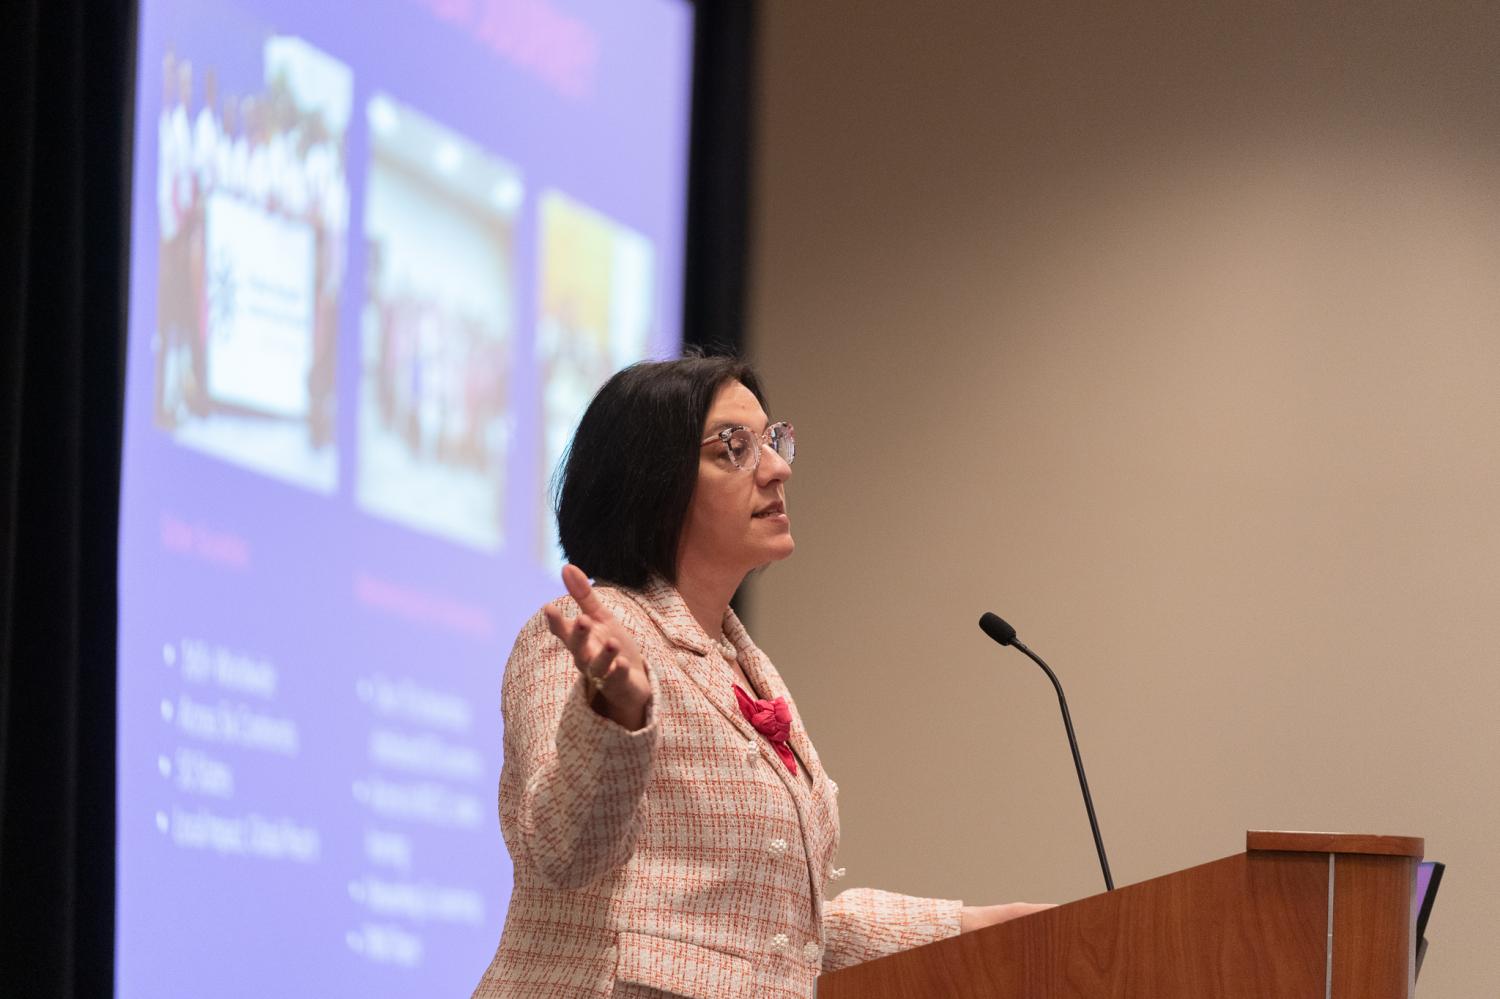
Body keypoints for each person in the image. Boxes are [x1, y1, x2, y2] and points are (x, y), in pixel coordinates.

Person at [471, 355, 1047, 999]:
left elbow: (766, 934)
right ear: (650, 480)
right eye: (733, 448)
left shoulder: (747, 665)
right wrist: (614, 716)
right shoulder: (581, 639)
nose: (777, 468)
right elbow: (562, 851)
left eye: (772, 440)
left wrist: (967, 927)